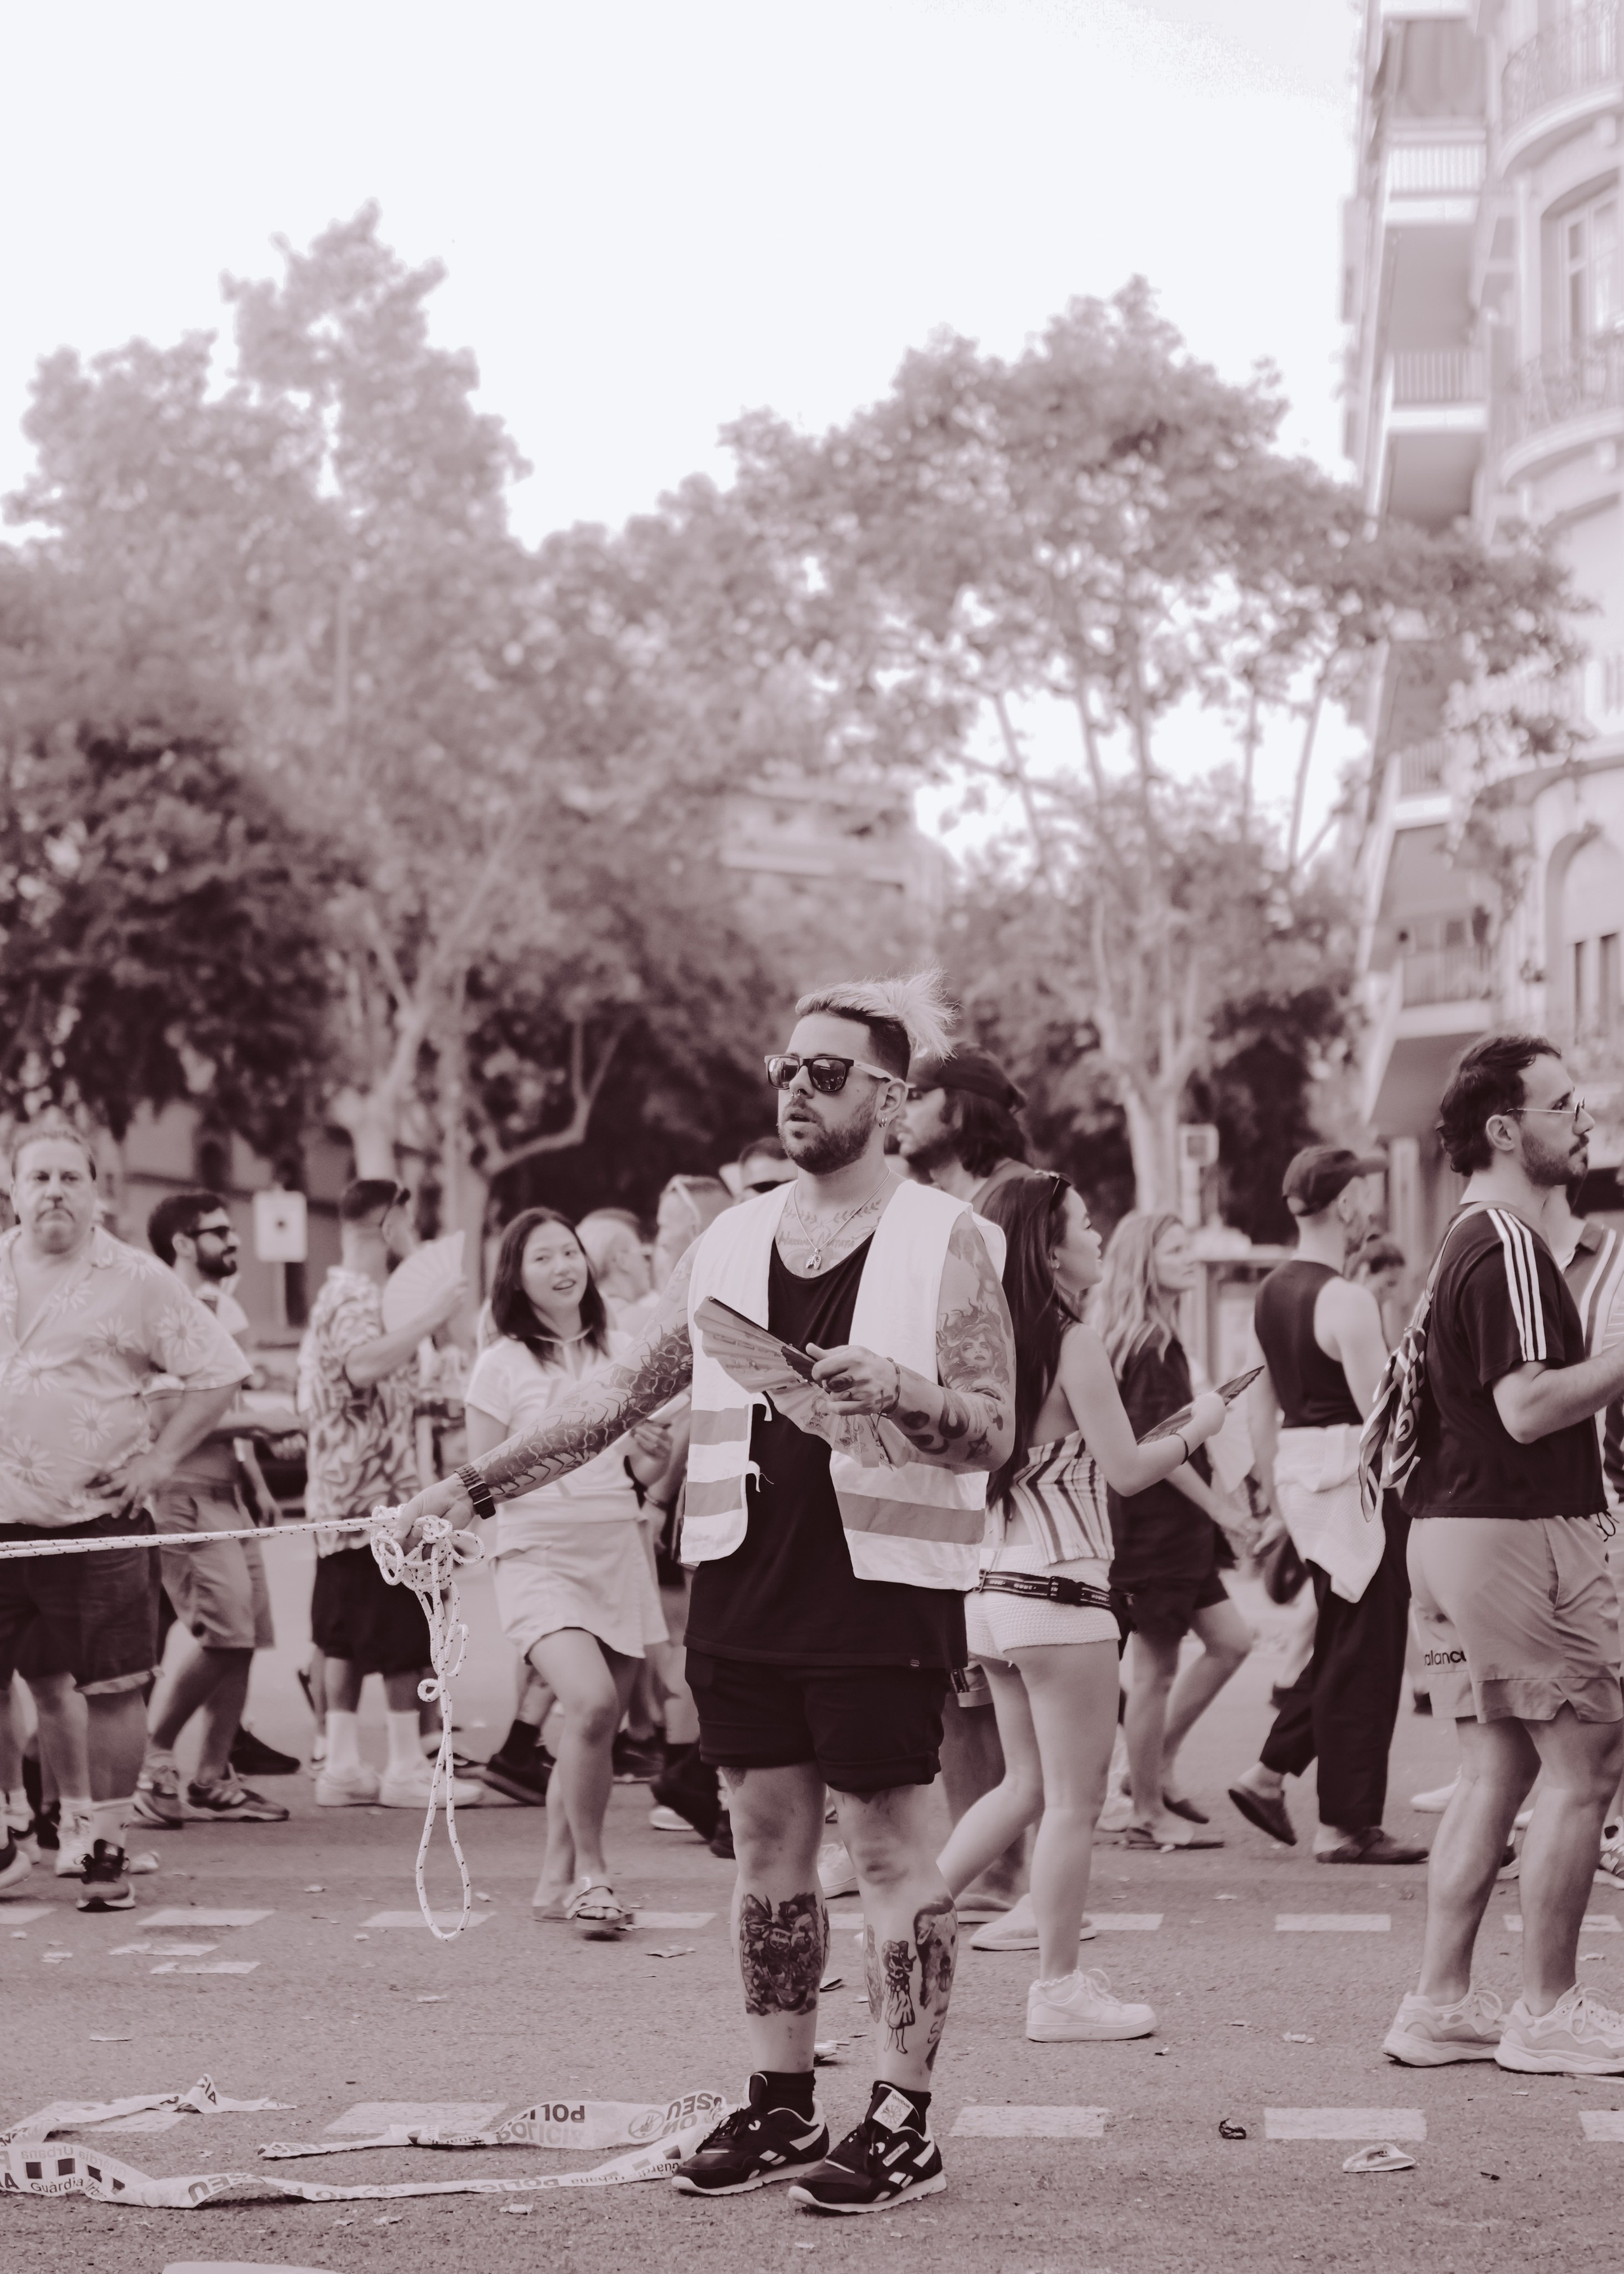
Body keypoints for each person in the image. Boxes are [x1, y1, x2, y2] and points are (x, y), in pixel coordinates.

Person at [390, 972, 1016, 2218]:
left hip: (879, 1583)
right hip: (739, 1582)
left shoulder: (952, 1236)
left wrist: (899, 1389)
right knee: (767, 1851)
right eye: (783, 1069)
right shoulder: (726, 1243)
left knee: (890, 1853)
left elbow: (989, 1430)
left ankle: (900, 2117)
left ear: (890, 1097)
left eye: (825, 1071)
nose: (795, 1089)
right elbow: (613, 1401)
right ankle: (781, 2102)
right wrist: (466, 1487)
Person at [1382, 1035, 1624, 2073]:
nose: (1582, 1119)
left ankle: (1441, 2002)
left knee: (1499, 1766)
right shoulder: (1513, 1243)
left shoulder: (1460, 1240)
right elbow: (1527, 1407)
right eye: (1562, 1104)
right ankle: (1548, 2008)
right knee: (1590, 1760)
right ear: (1502, 1127)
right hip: (1517, 1531)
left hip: (1450, 1533)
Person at [936, 1173, 1226, 2037]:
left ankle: (904, 1917)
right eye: (1085, 1226)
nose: (1100, 1237)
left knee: (1026, 1787)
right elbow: (1131, 1469)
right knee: (1071, 1802)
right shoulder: (1071, 1339)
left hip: (990, 1586)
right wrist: (1202, 1421)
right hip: (1061, 1587)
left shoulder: (976, 1340)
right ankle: (1058, 1989)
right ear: (1047, 1249)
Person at [0, 1125, 250, 1910]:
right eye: (38, 1175)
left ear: (96, 1188)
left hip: (97, 1518)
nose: (55, 1191)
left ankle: (104, 1842)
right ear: (12, 1187)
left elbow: (218, 1370)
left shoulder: (137, 1279)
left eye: (71, 1176)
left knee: (111, 1685)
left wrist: (159, 1460)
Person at [463, 1207, 671, 1930]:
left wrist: (655, 1458)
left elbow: (643, 1471)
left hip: (617, 1547)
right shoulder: (500, 1363)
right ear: (515, 1277)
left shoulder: (623, 1348)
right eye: (543, 1256)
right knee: (589, 1704)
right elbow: (479, 1479)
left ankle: (554, 1875)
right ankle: (593, 1874)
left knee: (593, 1728)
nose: (563, 1266)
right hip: (536, 1556)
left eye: (571, 1251)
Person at [1228, 1147, 1424, 1865]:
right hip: (1356, 1483)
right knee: (1366, 1651)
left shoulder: (1270, 1292)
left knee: (1344, 1640)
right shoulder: (1345, 1298)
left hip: (1305, 1480)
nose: (1368, 1209)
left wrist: (1274, 1487)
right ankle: (1345, 1823)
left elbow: (1259, 1407)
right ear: (1343, 1204)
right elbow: (1388, 1414)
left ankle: (1269, 1772)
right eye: (1364, 1196)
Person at [886, 1042, 1031, 1921]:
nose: (901, 1111)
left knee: (998, 1685)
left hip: (1003, 1475)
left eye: (919, 1097)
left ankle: (1012, 1872)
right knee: (958, 1688)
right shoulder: (924, 1204)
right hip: (935, 1470)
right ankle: (986, 1866)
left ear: (964, 1106)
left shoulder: (1015, 1196)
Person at [299, 1178, 481, 1812]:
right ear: (387, 1223)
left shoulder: (343, 1291)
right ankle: (404, 1765)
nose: (413, 1234)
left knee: (344, 1633)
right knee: (400, 1630)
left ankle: (346, 1763)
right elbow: (361, 1365)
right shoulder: (355, 1294)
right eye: (405, 1222)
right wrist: (433, 1314)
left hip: (347, 1493)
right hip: (374, 1495)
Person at [1096, 1213, 1255, 1850]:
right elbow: (1154, 1446)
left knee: (1232, 1640)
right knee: (1157, 1669)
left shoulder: (1150, 1337)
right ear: (1145, 1261)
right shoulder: (1150, 1345)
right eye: (1176, 1249)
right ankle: (1144, 1810)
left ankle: (1149, 1772)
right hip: (1154, 1534)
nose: (1191, 1257)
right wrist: (1222, 1507)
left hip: (1170, 1533)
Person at [133, 1192, 289, 1830]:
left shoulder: (225, 1307)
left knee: (245, 1640)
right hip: (187, 1499)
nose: (234, 1240)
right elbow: (170, 1419)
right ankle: (151, 1763)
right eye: (218, 1231)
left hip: (230, 1496)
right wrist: (263, 1421)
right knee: (222, 1635)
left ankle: (211, 1777)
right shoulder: (165, 1308)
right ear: (181, 1241)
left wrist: (256, 1477)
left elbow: (224, 1408)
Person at [1541, 1174, 1624, 1886]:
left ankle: (1608, 1830)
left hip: (1604, 1501)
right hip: (1520, 1517)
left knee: (1603, 1689)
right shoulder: (1488, 1250)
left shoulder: (1613, 1260)